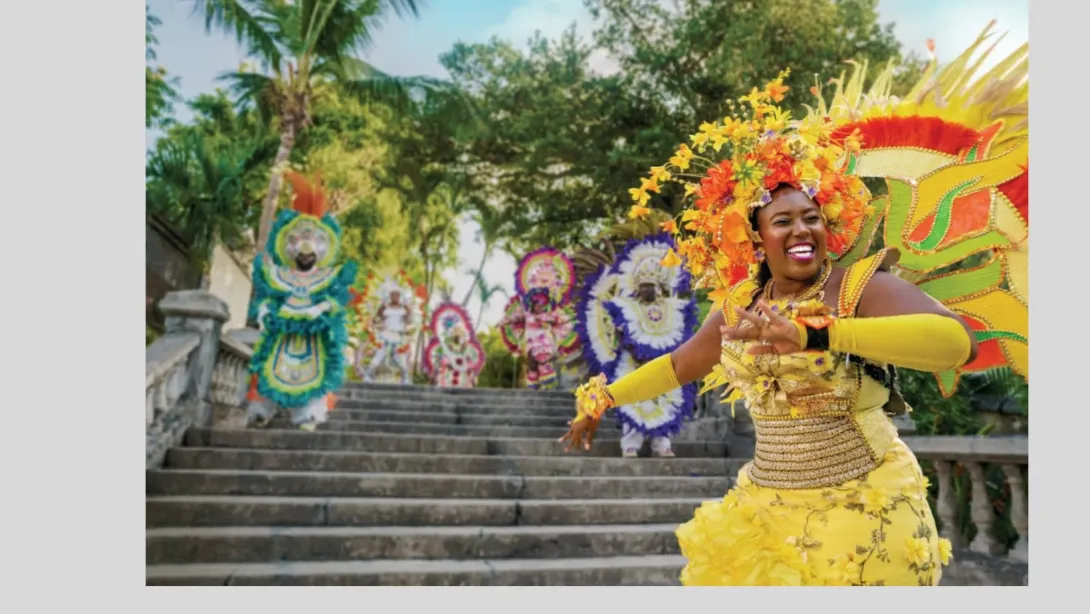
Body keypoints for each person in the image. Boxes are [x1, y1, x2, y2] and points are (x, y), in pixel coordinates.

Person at [560, 27, 1027, 586]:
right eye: (783, 221)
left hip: (865, 510)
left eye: (811, 217)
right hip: (766, 510)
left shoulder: (858, 285)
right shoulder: (741, 305)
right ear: (756, 238)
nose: (802, 229)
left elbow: (955, 343)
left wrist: (823, 336)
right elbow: (682, 364)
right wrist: (604, 397)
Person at [246, 172, 358, 431]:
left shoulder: (329, 276)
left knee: (313, 371)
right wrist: (263, 313)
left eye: (313, 244)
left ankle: (308, 414)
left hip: (313, 333)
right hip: (281, 330)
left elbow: (335, 301)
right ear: (289, 246)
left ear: (322, 249)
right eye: (299, 242)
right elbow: (268, 298)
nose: (305, 252)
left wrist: (320, 308)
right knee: (269, 367)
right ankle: (262, 410)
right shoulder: (278, 274)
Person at [575, 230, 698, 458]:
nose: (647, 289)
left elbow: (680, 339)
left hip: (663, 366)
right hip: (632, 363)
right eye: (643, 286)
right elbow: (622, 334)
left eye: (651, 285)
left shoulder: (673, 308)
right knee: (632, 401)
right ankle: (630, 445)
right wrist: (638, 352)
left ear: (659, 285)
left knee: (666, 402)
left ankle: (662, 445)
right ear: (636, 286)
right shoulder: (625, 307)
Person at [500, 247, 577, 390]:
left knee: (543, 360)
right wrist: (504, 321)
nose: (539, 306)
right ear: (532, 303)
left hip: (544, 341)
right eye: (537, 304)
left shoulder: (549, 314)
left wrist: (549, 320)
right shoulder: (527, 313)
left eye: (542, 304)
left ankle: (548, 383)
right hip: (530, 341)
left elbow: (560, 320)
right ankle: (534, 383)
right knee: (532, 363)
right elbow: (514, 318)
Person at [424, 303, 485, 388]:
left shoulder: (468, 349)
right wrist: (436, 372)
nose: (457, 337)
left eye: (460, 335)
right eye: (455, 335)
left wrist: (472, 374)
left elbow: (471, 363)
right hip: (447, 378)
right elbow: (439, 361)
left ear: (463, 336)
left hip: (463, 379)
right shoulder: (446, 347)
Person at [363, 283, 414, 384]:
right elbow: (376, 319)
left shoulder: (404, 307)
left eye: (397, 294)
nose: (396, 296)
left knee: (399, 356)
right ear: (390, 295)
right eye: (393, 294)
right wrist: (373, 323)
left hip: (398, 336)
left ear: (400, 296)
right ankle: (369, 374)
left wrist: (408, 313)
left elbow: (409, 321)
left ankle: (405, 376)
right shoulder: (384, 306)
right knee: (380, 353)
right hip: (385, 335)